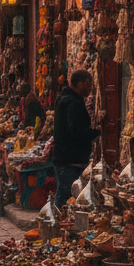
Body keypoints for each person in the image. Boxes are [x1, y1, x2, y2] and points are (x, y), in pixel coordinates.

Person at [52, 69, 101, 208]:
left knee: (65, 196)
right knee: (66, 198)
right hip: (69, 160)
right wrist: (95, 133)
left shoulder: (64, 98)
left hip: (65, 158)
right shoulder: (73, 102)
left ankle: (58, 225)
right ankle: (56, 226)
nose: (90, 89)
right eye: (89, 85)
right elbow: (76, 131)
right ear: (83, 83)